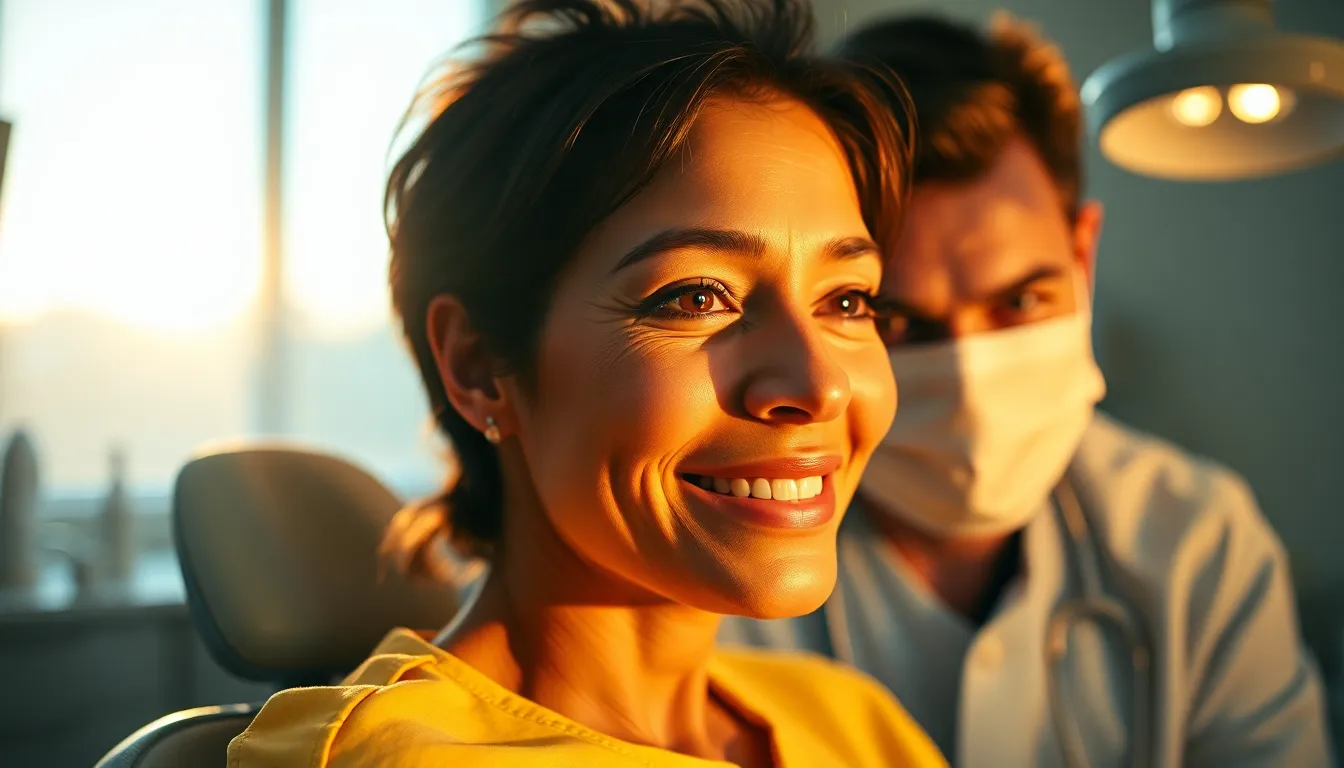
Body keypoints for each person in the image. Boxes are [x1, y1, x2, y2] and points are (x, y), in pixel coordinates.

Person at [226, 1, 948, 766]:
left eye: (847, 300)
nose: (820, 384)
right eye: (696, 297)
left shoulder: (854, 723)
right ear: (479, 365)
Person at [715, 13, 1335, 768]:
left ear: (1083, 258)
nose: (970, 378)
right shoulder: (722, 574)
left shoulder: (1196, 543)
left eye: (1019, 301)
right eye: (896, 320)